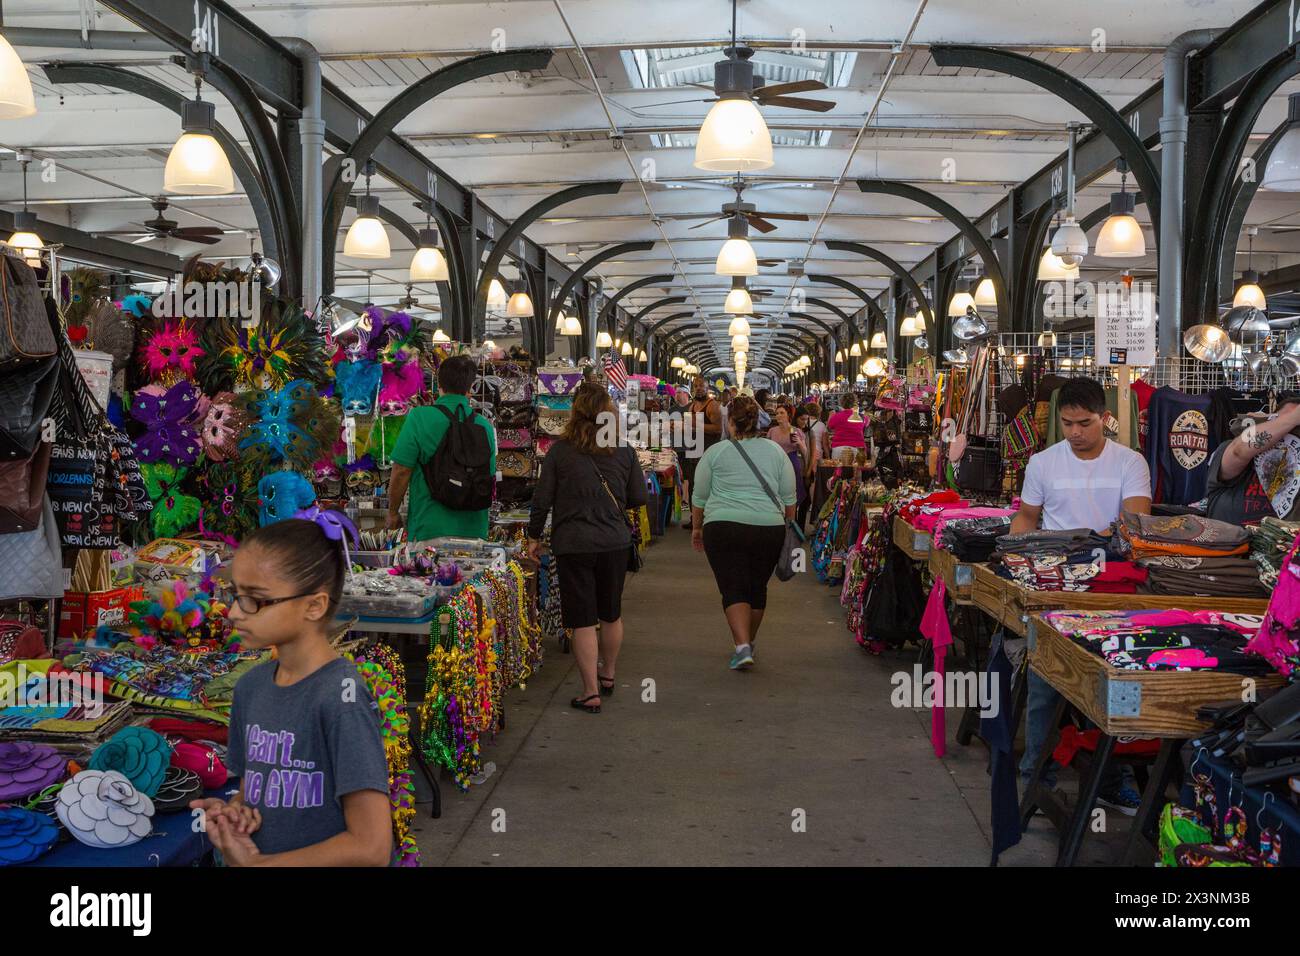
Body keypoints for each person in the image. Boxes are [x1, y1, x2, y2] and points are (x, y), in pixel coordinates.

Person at [193, 517, 392, 866]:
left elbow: (372, 846)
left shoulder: (341, 699)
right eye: (235, 595)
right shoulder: (251, 687)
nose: (235, 612)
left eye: (255, 600)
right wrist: (237, 813)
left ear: (313, 606)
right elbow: (255, 789)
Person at [1009, 377, 1152, 815]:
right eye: (1067, 423)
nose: (1075, 432)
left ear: (1104, 419)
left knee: (1107, 686)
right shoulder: (1043, 463)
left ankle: (1110, 776)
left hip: (1112, 592)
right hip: (1054, 589)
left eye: (1084, 423)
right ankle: (1036, 776)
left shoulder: (1130, 463)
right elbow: (1027, 517)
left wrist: (1097, 544)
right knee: (1045, 685)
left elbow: (1136, 524)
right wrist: (1016, 559)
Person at [527, 382, 647, 713]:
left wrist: (533, 537)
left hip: (574, 543)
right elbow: (639, 497)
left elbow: (542, 499)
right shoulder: (623, 451)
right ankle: (608, 675)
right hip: (614, 543)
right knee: (611, 613)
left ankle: (590, 691)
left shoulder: (560, 452)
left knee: (582, 619)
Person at [691, 395, 797, 671]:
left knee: (733, 585)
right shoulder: (776, 452)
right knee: (756, 586)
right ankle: (747, 642)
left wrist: (696, 527)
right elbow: (789, 498)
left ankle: (741, 646)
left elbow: (699, 497)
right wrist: (786, 529)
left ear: (731, 425)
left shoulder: (716, 453)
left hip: (723, 526)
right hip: (768, 528)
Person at [387, 354, 497, 540]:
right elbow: (489, 477)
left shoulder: (419, 418)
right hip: (475, 531)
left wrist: (393, 513)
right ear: (470, 389)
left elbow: (401, 471)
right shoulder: (484, 426)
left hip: (430, 529)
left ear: (439, 386)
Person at [1205, 391, 1300, 525]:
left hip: (1279, 543)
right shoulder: (1229, 447)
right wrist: (1292, 419)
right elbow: (1239, 450)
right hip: (1230, 542)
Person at [681, 374, 723, 529]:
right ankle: (695, 519)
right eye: (696, 386)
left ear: (707, 388)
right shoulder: (692, 406)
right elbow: (690, 426)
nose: (699, 388)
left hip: (708, 452)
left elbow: (718, 429)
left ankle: (709, 520)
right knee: (693, 486)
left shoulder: (712, 406)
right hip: (693, 450)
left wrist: (695, 425)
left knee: (707, 487)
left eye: (702, 386)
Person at [768, 404, 808, 526]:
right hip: (776, 464)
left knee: (792, 495)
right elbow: (768, 449)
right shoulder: (772, 431)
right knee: (777, 494)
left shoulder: (796, 431)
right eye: (777, 413)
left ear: (788, 415)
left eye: (781, 413)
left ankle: (791, 526)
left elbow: (805, 452)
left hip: (792, 462)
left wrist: (800, 443)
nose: (778, 415)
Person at [827, 392, 866, 462]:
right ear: (855, 403)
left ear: (841, 403)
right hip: (857, 448)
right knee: (856, 471)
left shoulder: (836, 416)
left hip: (838, 448)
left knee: (838, 471)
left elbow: (829, 427)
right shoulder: (861, 417)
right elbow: (864, 426)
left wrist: (830, 417)